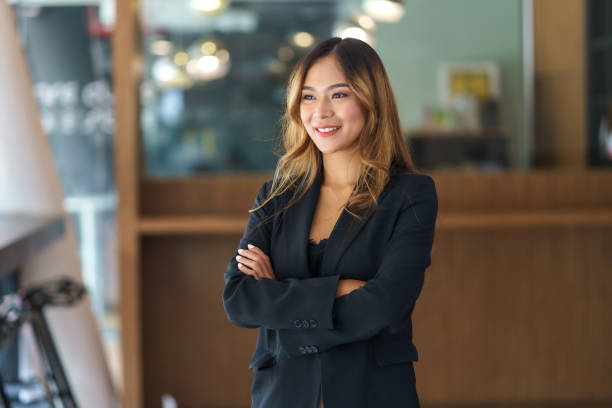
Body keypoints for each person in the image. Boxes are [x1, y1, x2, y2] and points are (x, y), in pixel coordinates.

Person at [222, 37, 438, 408]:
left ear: (371, 100)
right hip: (282, 395)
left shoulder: (410, 195)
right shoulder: (276, 196)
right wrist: (341, 289)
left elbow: (387, 304)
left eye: (338, 95)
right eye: (308, 96)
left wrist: (280, 295)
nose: (320, 112)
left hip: (372, 394)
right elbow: (240, 299)